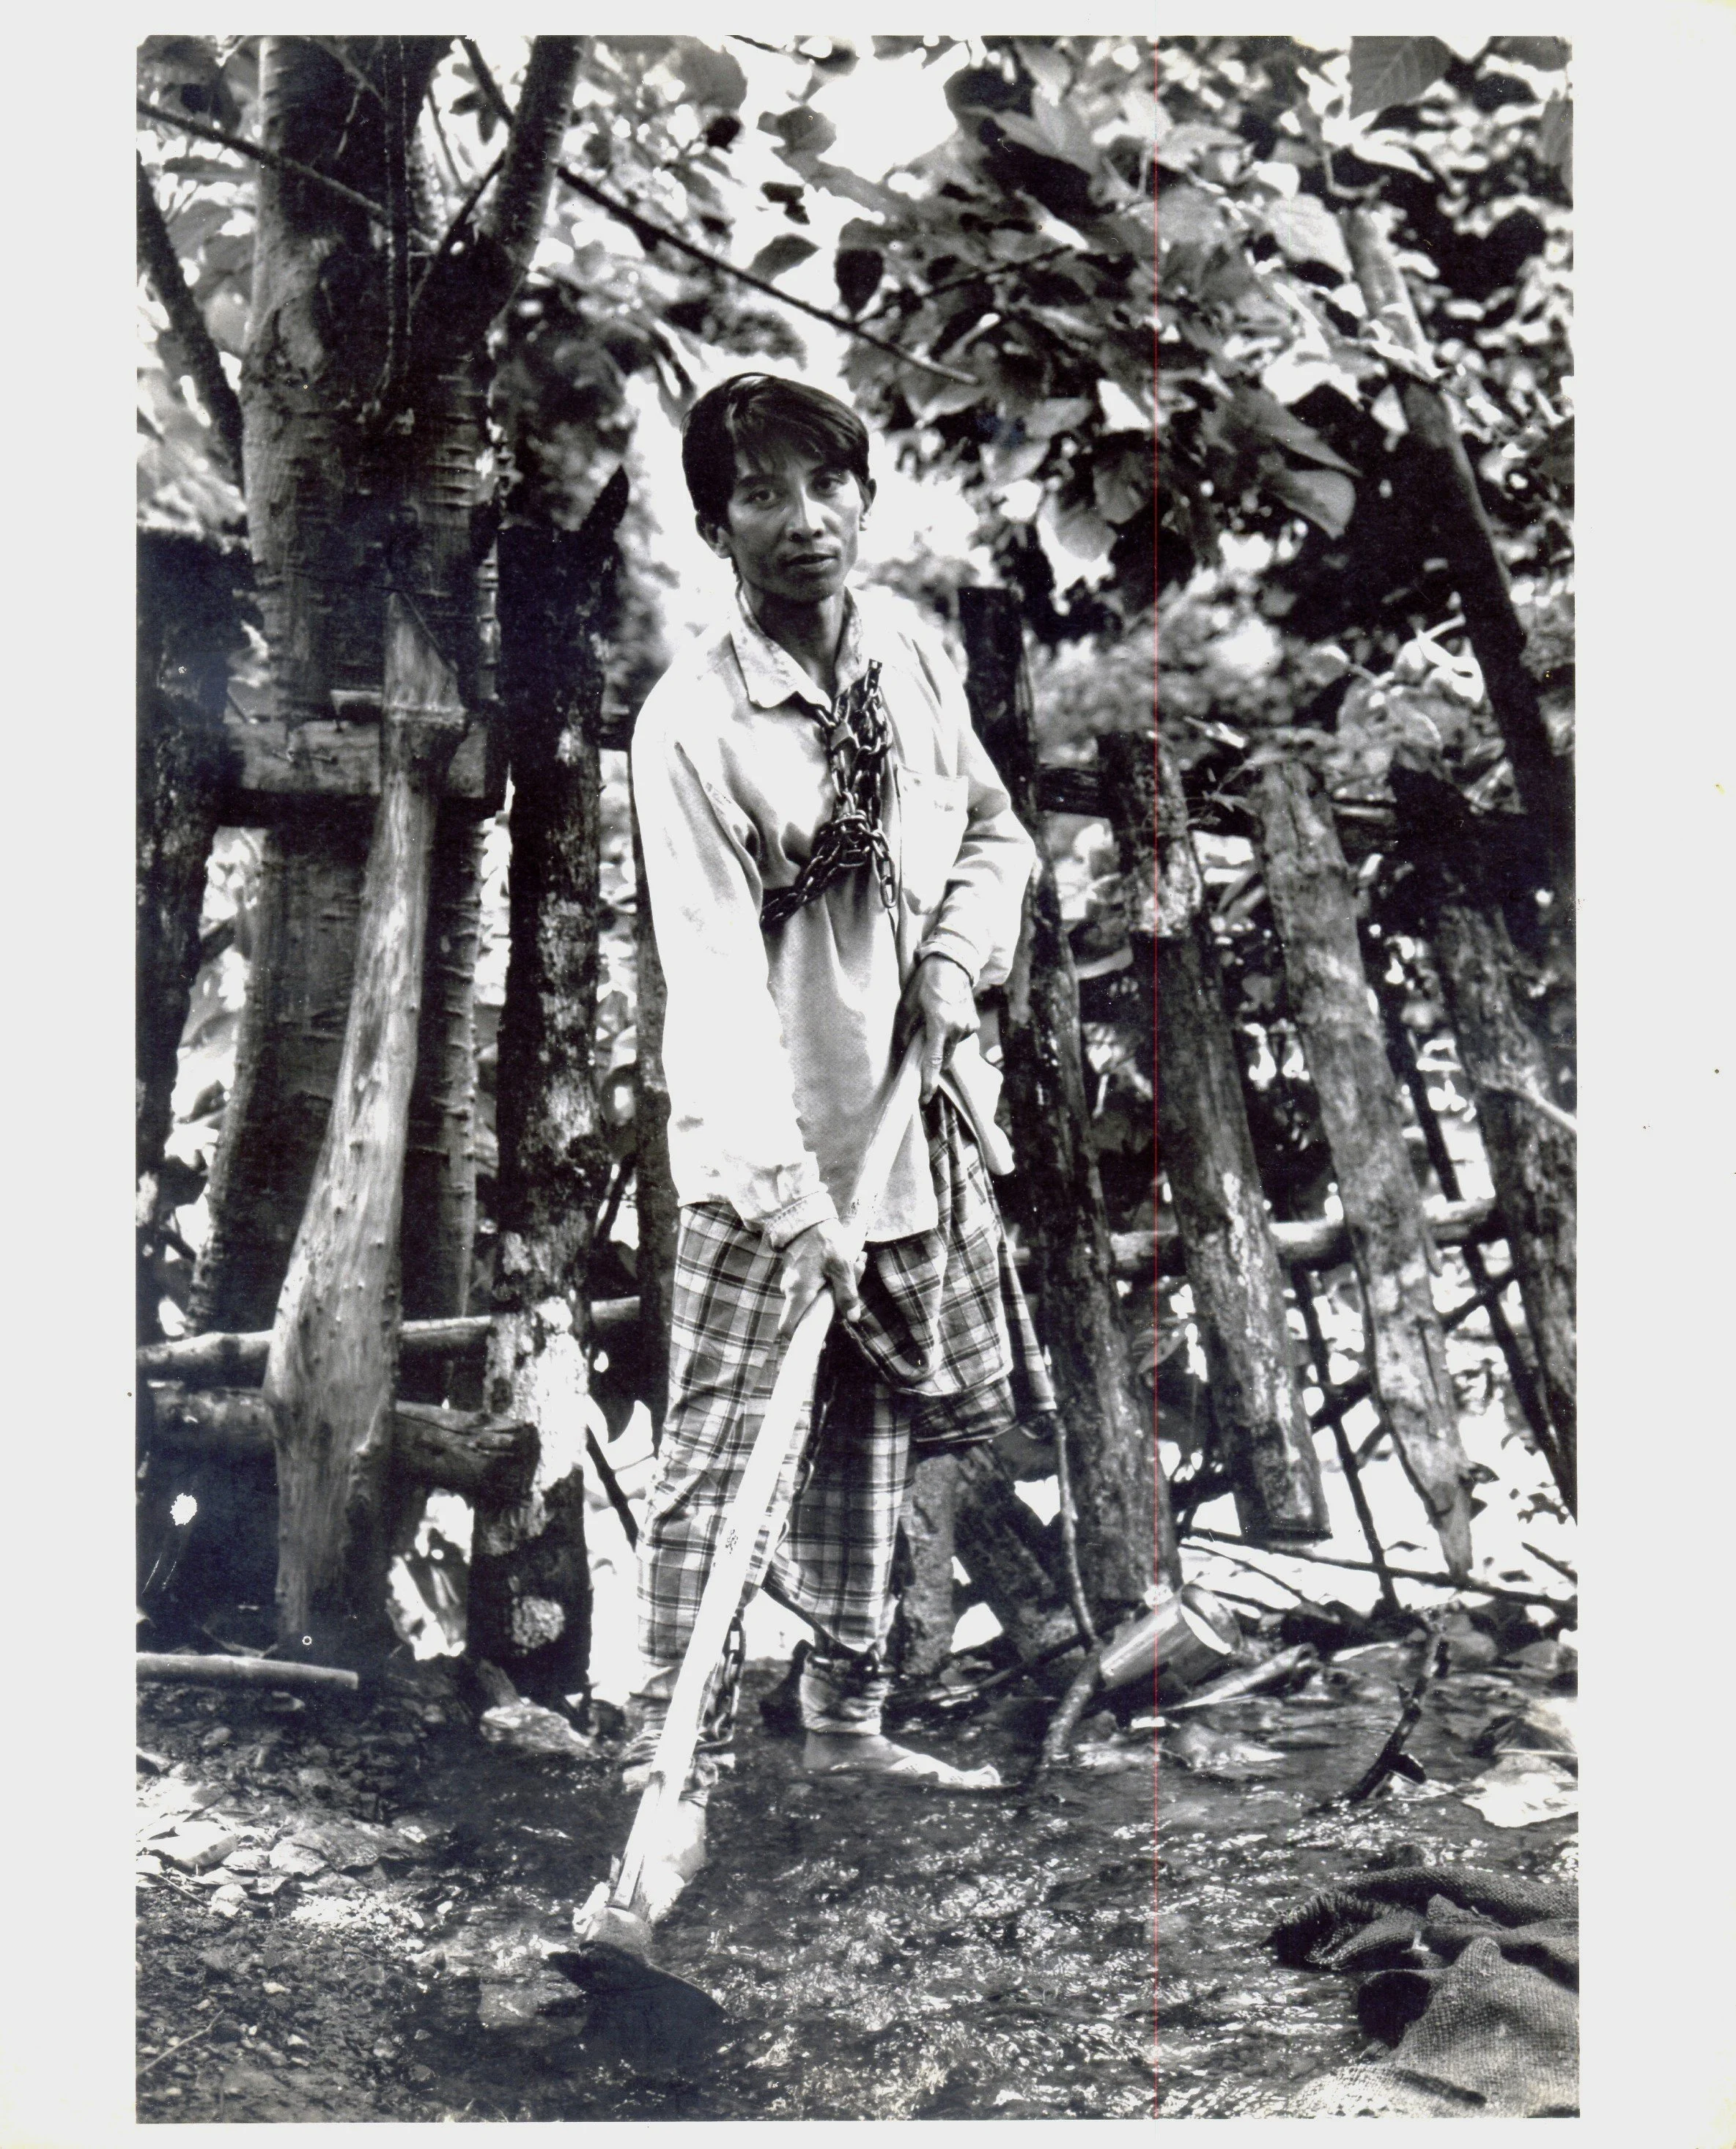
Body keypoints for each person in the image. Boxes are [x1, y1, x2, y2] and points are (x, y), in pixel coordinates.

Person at [585, 372, 1047, 1945]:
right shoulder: (691, 725)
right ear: (714, 528)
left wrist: (954, 962)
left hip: (900, 1118)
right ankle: (672, 1792)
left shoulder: (909, 661)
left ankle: (844, 1726)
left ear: (865, 491)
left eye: (827, 482)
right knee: (724, 1465)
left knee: (859, 1438)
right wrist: (788, 1197)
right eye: (763, 494)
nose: (805, 519)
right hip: (761, 1148)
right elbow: (711, 982)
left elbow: (994, 835)